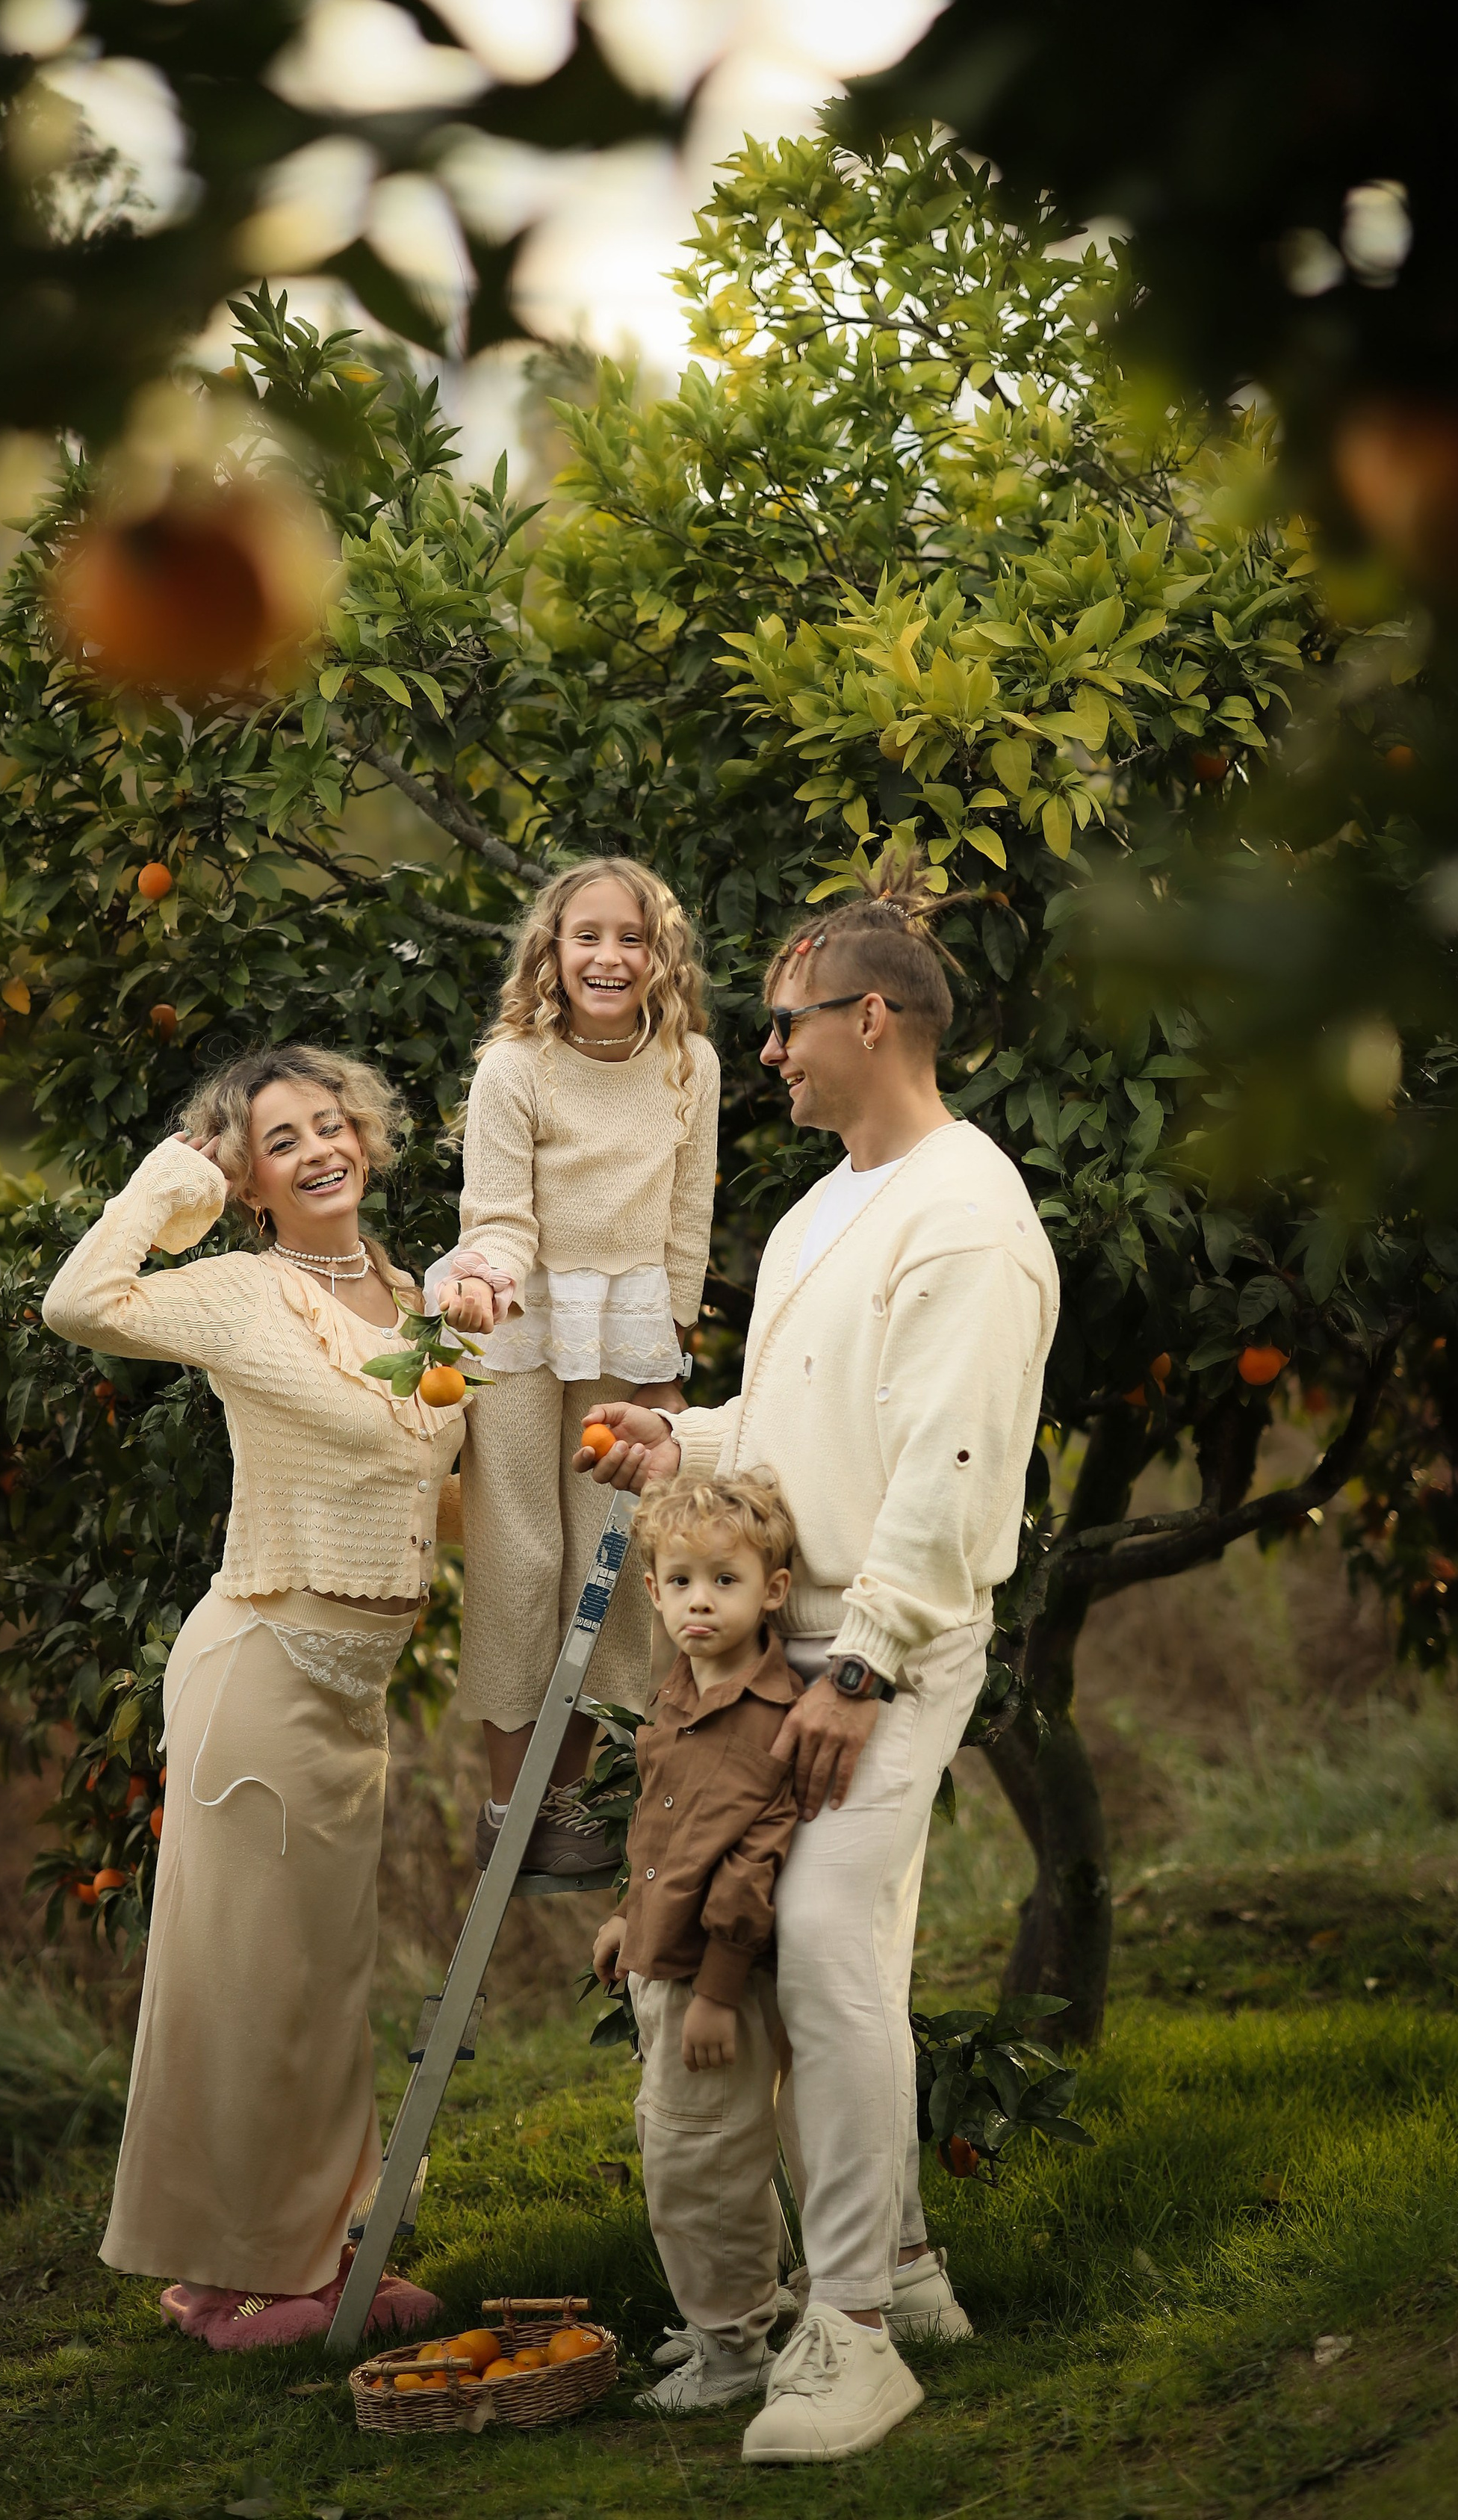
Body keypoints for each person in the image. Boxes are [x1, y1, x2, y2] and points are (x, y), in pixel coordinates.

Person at [580, 864, 1060, 2464]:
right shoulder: (816, 1210)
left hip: (886, 1638)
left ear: (871, 1019)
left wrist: (857, 1667)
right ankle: (908, 2276)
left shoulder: (967, 1214)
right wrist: (688, 1439)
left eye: (784, 1026)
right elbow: (808, 1428)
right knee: (816, 1945)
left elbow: (950, 1454)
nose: (764, 1051)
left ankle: (848, 2329)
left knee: (819, 1931)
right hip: (792, 1640)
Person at [40, 1042, 459, 2354]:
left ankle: (257, 2263)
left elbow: (440, 1483)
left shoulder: (428, 1297)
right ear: (254, 1177)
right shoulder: (239, 1292)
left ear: (368, 1139)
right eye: (283, 1142)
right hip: (264, 1662)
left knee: (316, 1979)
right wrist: (184, 1181)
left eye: (333, 1124)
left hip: (355, 1686)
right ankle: (277, 2273)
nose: (320, 1149)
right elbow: (79, 1298)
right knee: (254, 1980)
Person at [432, 857, 721, 1877]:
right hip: (520, 1332)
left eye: (630, 938)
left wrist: (667, 1359)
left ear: (660, 954)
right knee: (523, 1560)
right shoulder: (516, 1066)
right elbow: (500, 1215)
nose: (608, 956)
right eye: (586, 935)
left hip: (626, 1333)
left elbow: (689, 1221)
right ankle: (512, 1802)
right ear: (552, 951)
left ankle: (579, 1802)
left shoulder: (691, 1063)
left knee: (611, 1562)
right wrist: (487, 1281)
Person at [592, 1472, 801, 2418]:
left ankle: (733, 2350)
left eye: (724, 1581)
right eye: (680, 1583)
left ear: (774, 1592)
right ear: (652, 1593)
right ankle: (747, 2310)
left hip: (706, 1982)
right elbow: (660, 1825)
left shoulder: (771, 1717)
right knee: (700, 2146)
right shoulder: (680, 1690)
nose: (699, 1602)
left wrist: (717, 1987)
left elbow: (753, 1865)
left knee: (697, 2164)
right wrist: (625, 1921)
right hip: (661, 1959)